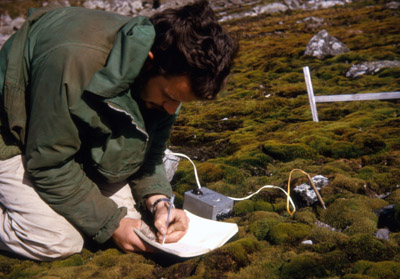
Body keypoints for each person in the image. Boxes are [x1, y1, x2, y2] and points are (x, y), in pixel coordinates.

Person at [0, 0, 237, 260]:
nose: (172, 109)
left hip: (63, 138)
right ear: (149, 63)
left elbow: (150, 152)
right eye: (169, 96)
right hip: (12, 135)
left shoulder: (168, 75)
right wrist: (112, 225)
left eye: (181, 102)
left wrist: (159, 201)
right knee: (56, 239)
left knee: (137, 220)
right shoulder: (73, 62)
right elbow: (49, 165)